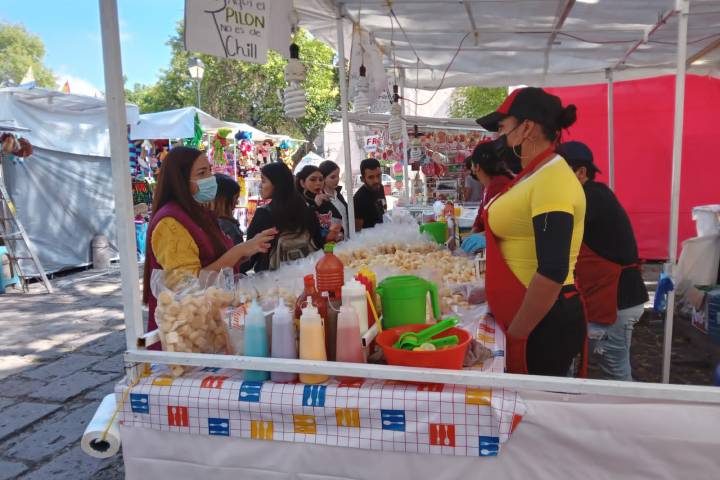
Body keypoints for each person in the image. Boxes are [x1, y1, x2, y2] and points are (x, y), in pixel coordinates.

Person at [476, 87, 586, 376]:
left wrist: (518, 334)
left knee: (537, 403)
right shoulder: (534, 175)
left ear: (527, 128)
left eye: (502, 128)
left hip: (542, 323)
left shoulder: (553, 180)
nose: (498, 137)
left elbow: (552, 270)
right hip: (527, 316)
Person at [143, 147, 276, 341]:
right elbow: (186, 285)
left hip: (213, 323)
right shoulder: (170, 222)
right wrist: (238, 251)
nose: (210, 178)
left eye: (210, 171)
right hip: (187, 334)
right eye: (201, 173)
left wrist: (250, 248)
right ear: (180, 180)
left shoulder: (200, 213)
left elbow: (215, 257)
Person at [558, 141, 649, 381]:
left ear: (580, 172)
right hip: (607, 295)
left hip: (617, 299)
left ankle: (626, 406)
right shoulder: (589, 195)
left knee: (616, 372)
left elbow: (555, 228)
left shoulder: (591, 197)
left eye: (557, 173)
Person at [244, 162, 324, 272]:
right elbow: (319, 245)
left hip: (272, 279)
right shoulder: (307, 210)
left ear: (276, 184)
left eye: (263, 181)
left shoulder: (263, 214)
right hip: (307, 274)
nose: (260, 186)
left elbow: (250, 256)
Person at [460, 141, 515, 253]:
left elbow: (501, 225)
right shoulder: (488, 185)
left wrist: (481, 236)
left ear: (477, 167)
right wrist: (474, 231)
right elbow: (481, 213)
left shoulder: (499, 184)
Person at [296, 165, 343, 241]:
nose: (318, 183)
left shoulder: (324, 199)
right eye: (313, 179)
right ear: (302, 183)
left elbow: (338, 220)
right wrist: (315, 205)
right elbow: (303, 228)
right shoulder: (298, 202)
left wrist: (339, 233)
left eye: (321, 180)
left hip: (331, 245)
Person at [353, 158, 387, 231]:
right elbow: (357, 231)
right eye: (371, 177)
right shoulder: (358, 199)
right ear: (362, 179)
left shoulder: (380, 187)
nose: (376, 181)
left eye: (378, 175)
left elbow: (384, 210)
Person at [210, 173, 243, 246]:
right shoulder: (228, 227)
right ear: (224, 200)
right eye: (236, 198)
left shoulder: (206, 221)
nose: (237, 202)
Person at [318, 160, 349, 236]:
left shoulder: (338, 194)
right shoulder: (320, 199)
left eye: (338, 176)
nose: (337, 179)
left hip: (347, 239)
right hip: (333, 241)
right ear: (323, 178)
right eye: (332, 177)